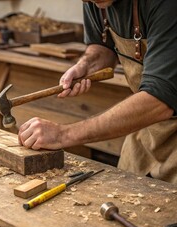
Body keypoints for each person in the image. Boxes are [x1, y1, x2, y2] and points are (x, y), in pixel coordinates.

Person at [18, 0, 177, 184]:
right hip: (147, 133)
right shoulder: (95, 1)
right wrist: (87, 64)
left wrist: (63, 134)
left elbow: (159, 99)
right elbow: (103, 46)